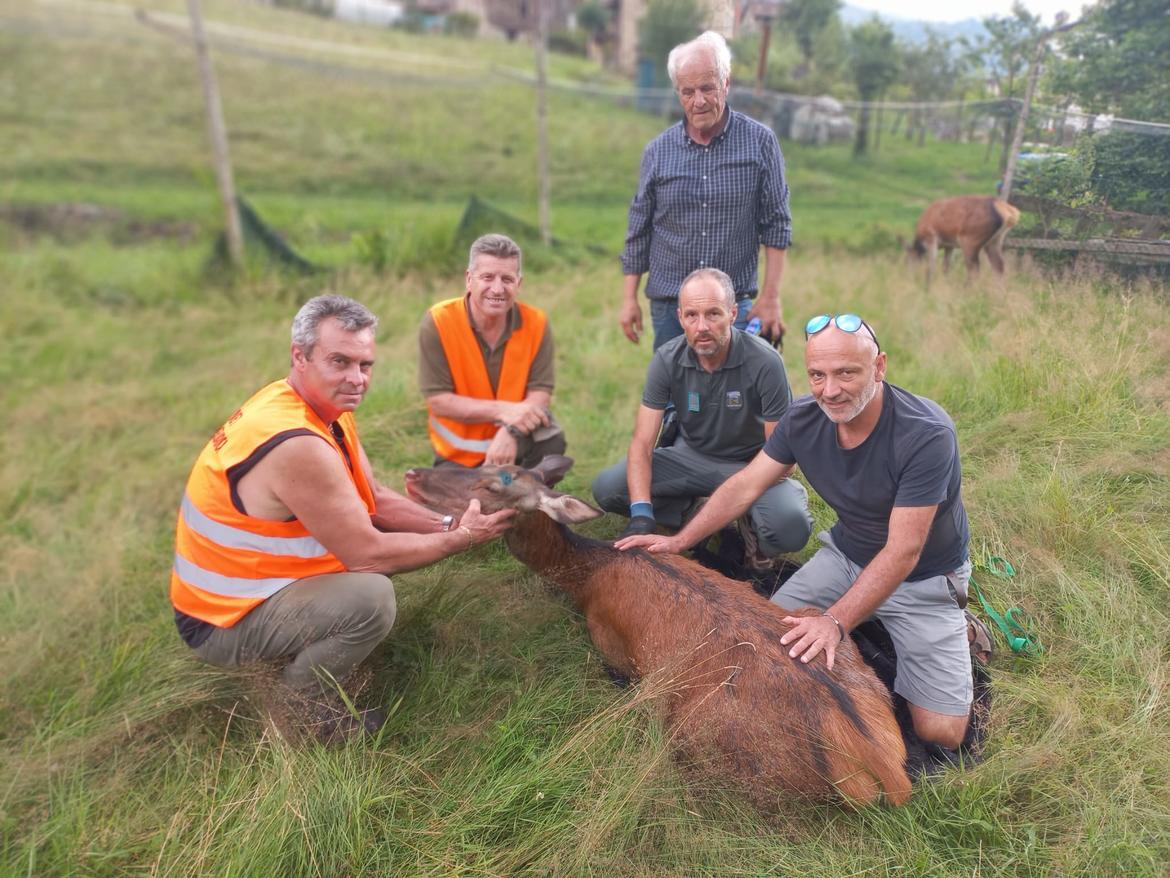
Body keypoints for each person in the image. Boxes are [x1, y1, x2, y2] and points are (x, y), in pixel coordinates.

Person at [617, 313, 975, 751]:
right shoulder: (804, 418)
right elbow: (746, 485)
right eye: (817, 375)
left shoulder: (925, 433)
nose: (830, 390)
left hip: (923, 579)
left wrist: (834, 622)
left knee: (941, 733)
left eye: (846, 373)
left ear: (879, 367)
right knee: (756, 648)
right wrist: (679, 541)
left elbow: (904, 550)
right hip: (846, 558)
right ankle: (865, 620)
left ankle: (957, 625)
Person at [170, 295, 515, 742]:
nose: (357, 379)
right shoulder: (297, 443)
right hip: (219, 621)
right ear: (300, 356)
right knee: (370, 599)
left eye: (365, 365)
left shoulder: (320, 408)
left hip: (244, 588)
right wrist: (462, 539)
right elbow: (368, 555)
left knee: (372, 576)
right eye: (340, 362)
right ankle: (301, 714)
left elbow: (374, 499)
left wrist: (448, 526)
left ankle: (300, 657)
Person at [592, 268, 812, 564]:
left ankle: (749, 530)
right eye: (692, 315)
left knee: (791, 528)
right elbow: (642, 443)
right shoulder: (666, 359)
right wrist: (642, 514)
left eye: (713, 314)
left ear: (733, 314)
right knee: (608, 488)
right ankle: (698, 513)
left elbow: (784, 461)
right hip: (691, 458)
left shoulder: (765, 362)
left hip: (754, 466)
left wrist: (738, 489)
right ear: (680, 317)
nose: (702, 326)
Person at [620, 30, 792, 350]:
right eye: (688, 92)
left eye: (707, 88)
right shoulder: (658, 151)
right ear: (678, 94)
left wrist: (771, 297)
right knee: (673, 383)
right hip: (671, 308)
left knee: (736, 384)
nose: (698, 101)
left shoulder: (760, 143)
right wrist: (629, 298)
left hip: (732, 306)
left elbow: (777, 224)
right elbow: (639, 228)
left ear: (726, 84)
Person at [419, 233, 566, 469]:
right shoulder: (439, 321)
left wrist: (511, 431)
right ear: (469, 279)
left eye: (507, 279)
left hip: (515, 441)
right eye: (487, 277)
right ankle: (503, 485)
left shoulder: (536, 323)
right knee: (474, 493)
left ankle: (514, 484)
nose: (497, 289)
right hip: (460, 454)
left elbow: (540, 393)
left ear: (519, 284)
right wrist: (504, 411)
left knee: (552, 436)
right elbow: (439, 402)